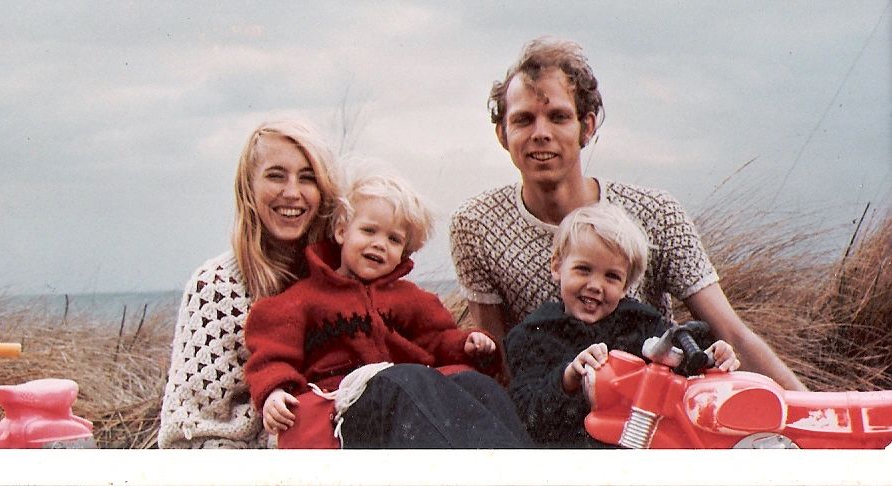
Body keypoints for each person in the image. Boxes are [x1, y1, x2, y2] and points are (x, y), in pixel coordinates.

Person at [450, 36, 806, 390]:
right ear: (502, 133)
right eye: (524, 120)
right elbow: (497, 365)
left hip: (656, 405)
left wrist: (824, 416)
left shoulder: (656, 213)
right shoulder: (476, 225)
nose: (540, 133)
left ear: (586, 127)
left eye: (558, 117)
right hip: (552, 413)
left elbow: (733, 333)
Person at [245, 170, 531, 448]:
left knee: (476, 385)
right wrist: (274, 391)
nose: (379, 244)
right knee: (404, 379)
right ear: (342, 231)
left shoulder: (411, 299)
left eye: (394, 239)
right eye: (369, 230)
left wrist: (467, 344)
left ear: (404, 252)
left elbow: (437, 339)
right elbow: (271, 354)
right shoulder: (305, 299)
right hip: (344, 406)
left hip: (405, 401)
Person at [158, 118, 341, 448]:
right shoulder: (215, 289)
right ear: (248, 187)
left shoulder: (342, 278)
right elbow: (188, 436)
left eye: (308, 178)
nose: (292, 193)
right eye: (275, 176)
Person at [505, 202, 739, 447]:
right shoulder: (533, 334)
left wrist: (712, 357)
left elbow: (681, 363)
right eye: (583, 270)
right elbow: (525, 415)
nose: (595, 285)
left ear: (626, 285)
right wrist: (568, 378)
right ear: (557, 266)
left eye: (611, 276)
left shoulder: (641, 323)